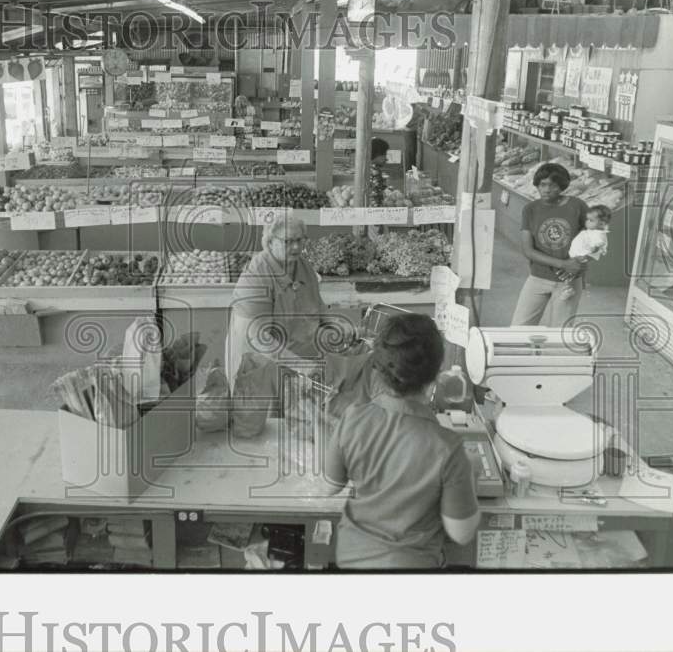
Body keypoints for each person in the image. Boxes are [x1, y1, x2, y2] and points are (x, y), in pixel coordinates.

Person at [323, 313, 480, 568]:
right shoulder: (447, 447)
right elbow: (461, 533)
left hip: (351, 560)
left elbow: (330, 486)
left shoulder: (352, 418)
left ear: (378, 368)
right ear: (435, 377)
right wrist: (469, 475)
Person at [226, 216, 325, 388]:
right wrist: (301, 365)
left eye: (300, 240)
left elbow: (319, 308)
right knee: (261, 411)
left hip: (292, 362)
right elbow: (258, 337)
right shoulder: (256, 276)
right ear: (270, 242)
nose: (296, 247)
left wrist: (340, 328)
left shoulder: (304, 267)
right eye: (288, 241)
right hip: (257, 364)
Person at [510, 162, 589, 327]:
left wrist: (581, 263)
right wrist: (563, 264)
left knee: (560, 330)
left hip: (569, 281)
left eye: (552, 185)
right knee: (519, 326)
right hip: (538, 277)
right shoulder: (530, 209)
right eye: (542, 184)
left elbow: (592, 238)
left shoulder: (577, 206)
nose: (546, 189)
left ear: (562, 186)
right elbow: (528, 250)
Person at [561, 204, 612, 300]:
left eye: (591, 220)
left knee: (570, 271)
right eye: (587, 219)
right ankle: (581, 284)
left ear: (601, 224)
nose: (587, 222)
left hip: (581, 255)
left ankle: (567, 289)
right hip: (578, 253)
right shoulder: (593, 230)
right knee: (579, 271)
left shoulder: (599, 235)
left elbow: (597, 246)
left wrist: (586, 255)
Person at [369, 137, 390, 206]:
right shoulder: (375, 172)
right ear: (377, 155)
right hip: (375, 210)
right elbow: (377, 193)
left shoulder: (370, 168)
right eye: (384, 155)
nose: (386, 159)